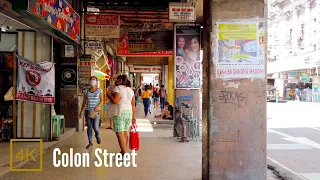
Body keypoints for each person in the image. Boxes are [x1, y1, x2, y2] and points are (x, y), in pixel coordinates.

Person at [106, 75, 136, 155]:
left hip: (120, 112)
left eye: (117, 79)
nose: (116, 80)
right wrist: (134, 117)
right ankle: (123, 151)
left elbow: (115, 101)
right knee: (125, 132)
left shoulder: (118, 88)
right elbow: (133, 105)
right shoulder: (130, 90)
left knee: (119, 134)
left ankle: (124, 153)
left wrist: (108, 95)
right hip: (129, 112)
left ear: (121, 80)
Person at [79, 76, 104, 149]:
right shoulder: (86, 91)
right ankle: (90, 142)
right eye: (91, 80)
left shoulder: (99, 90)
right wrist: (81, 111)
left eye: (94, 80)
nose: (92, 81)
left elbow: (102, 101)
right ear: (89, 81)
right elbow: (84, 101)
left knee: (96, 127)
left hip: (96, 112)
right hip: (88, 111)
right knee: (89, 127)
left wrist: (98, 106)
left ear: (96, 81)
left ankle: (97, 135)